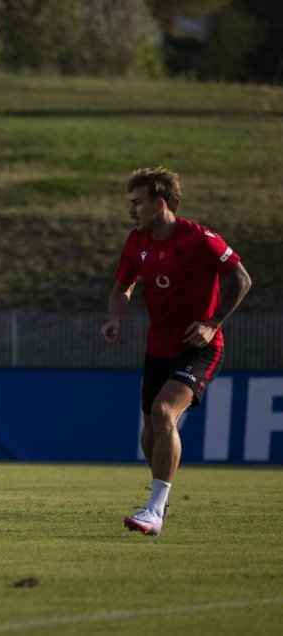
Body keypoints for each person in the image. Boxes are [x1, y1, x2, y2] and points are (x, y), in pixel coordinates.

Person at [101, 167, 251, 536]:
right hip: (158, 347)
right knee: (150, 431)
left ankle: (154, 510)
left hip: (199, 348)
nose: (131, 210)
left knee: (165, 410)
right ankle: (159, 500)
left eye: (137, 202)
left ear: (160, 203)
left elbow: (242, 279)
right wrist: (115, 319)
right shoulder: (136, 242)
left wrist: (213, 323)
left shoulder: (200, 239)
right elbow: (123, 288)